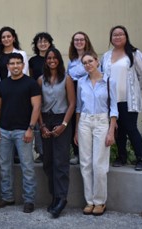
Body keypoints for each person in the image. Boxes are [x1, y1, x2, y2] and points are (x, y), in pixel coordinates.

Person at [0, 53, 41, 213]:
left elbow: (36, 107)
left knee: (27, 167)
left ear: (23, 65)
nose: (15, 66)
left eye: (18, 63)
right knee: (5, 167)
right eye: (11, 63)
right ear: (7, 66)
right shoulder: (2, 84)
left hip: (23, 131)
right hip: (4, 131)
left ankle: (29, 200)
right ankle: (7, 197)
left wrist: (30, 129)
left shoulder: (31, 83)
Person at [74, 52, 118, 216]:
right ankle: (89, 201)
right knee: (85, 163)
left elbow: (113, 108)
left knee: (99, 164)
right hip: (84, 122)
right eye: (84, 63)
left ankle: (100, 201)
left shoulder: (109, 82)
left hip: (101, 122)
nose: (87, 65)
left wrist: (111, 130)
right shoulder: (80, 82)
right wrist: (77, 129)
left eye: (90, 61)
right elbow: (78, 107)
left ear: (97, 62)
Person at [101, 25, 142, 171]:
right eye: (114, 35)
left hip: (128, 100)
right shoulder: (106, 56)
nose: (117, 37)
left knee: (131, 128)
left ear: (126, 36)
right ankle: (121, 157)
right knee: (119, 129)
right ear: (111, 38)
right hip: (112, 101)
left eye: (120, 34)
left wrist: (135, 90)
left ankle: (141, 158)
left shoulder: (134, 54)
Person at [38, 48, 75, 218]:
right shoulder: (40, 80)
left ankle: (61, 199)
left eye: (55, 57)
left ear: (59, 60)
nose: (52, 60)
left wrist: (64, 124)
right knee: (48, 161)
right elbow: (37, 105)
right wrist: (42, 126)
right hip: (46, 120)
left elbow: (72, 103)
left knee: (60, 161)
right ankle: (53, 196)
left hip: (62, 119)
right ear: (46, 61)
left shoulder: (66, 79)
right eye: (49, 58)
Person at [67, 31, 97, 165]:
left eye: (81, 40)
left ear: (86, 41)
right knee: (74, 123)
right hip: (73, 92)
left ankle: (90, 155)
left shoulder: (92, 58)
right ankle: (78, 154)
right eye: (76, 40)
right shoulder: (71, 61)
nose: (79, 42)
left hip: (87, 91)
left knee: (87, 122)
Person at [28, 32, 55, 163]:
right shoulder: (32, 61)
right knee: (39, 125)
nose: (42, 44)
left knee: (53, 123)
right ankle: (41, 152)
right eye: (40, 42)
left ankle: (53, 152)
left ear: (50, 43)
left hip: (53, 96)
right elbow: (31, 78)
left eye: (45, 41)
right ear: (36, 45)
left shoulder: (53, 57)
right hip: (37, 96)